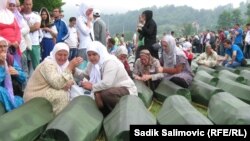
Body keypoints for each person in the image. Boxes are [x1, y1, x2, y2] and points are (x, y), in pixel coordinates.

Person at [74, 41, 137, 115]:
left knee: (106, 94)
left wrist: (92, 86)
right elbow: (85, 74)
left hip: (125, 89)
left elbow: (107, 83)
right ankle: (104, 112)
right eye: (89, 55)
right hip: (111, 88)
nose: (91, 57)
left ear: (100, 52)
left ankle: (118, 113)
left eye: (94, 54)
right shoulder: (92, 64)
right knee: (96, 93)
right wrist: (73, 70)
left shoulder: (110, 62)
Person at [23, 42, 83, 115]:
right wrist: (70, 67)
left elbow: (70, 81)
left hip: (47, 90)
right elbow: (57, 84)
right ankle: (56, 121)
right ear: (54, 54)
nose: (62, 58)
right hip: (36, 94)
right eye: (59, 54)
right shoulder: (48, 64)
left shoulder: (65, 64)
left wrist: (69, 81)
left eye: (65, 55)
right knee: (62, 95)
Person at [0, 37, 26, 112]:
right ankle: (13, 107)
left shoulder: (9, 59)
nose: (3, 49)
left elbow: (23, 78)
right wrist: (2, 67)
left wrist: (17, 73)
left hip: (11, 92)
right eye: (0, 46)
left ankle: (14, 105)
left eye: (4, 46)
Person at [0, 0, 21, 66]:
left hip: (14, 46)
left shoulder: (10, 14)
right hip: (2, 46)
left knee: (16, 68)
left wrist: (17, 41)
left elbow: (17, 29)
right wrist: (4, 42)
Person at [22, 0, 41, 70]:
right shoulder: (19, 15)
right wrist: (31, 28)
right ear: (23, 4)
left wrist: (24, 30)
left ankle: (38, 80)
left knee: (36, 65)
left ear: (32, 5)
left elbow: (36, 27)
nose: (28, 6)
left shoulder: (36, 16)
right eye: (26, 4)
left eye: (30, 4)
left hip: (34, 43)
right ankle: (24, 80)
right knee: (22, 64)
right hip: (22, 43)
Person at [76, 2, 94, 69]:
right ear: (84, 9)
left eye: (92, 10)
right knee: (82, 68)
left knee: (90, 68)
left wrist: (89, 21)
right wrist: (89, 21)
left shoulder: (88, 19)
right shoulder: (79, 19)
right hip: (83, 47)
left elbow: (92, 35)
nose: (91, 12)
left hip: (90, 46)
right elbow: (86, 32)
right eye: (89, 10)